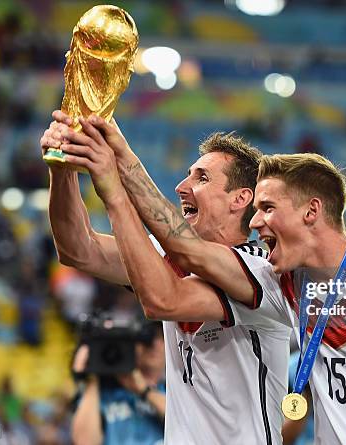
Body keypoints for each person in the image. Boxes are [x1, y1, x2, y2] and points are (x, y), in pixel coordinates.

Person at [55, 119, 346, 445]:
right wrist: (65, 164)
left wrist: (117, 176)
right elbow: (81, 249)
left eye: (267, 208)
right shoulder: (287, 287)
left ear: (310, 211)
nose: (257, 222)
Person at [40, 113, 291, 445]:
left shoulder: (263, 275)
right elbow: (78, 249)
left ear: (240, 199)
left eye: (201, 178)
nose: (181, 187)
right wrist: (63, 167)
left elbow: (164, 299)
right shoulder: (169, 257)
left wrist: (114, 190)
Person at [71, 321, 166, 445]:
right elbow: (85, 442)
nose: (154, 344)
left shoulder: (174, 389)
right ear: (131, 344)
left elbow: (188, 423)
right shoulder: (103, 393)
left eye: (163, 337)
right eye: (147, 338)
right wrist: (92, 375)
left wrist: (144, 391)